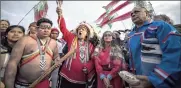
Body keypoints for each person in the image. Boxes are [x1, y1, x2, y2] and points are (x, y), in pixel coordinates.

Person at [126, 6, 181, 88]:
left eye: (136, 11)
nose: (133, 14)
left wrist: (154, 79)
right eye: (131, 14)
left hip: (161, 83)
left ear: (147, 13)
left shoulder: (161, 26)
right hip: (138, 82)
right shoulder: (130, 35)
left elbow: (175, 54)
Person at [4, 18, 62, 88]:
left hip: (44, 82)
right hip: (24, 84)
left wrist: (57, 60)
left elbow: (56, 56)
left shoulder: (53, 42)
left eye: (48, 28)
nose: (46, 30)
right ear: (37, 29)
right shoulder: (25, 40)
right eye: (43, 28)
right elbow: (12, 63)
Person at [56, 6, 99, 88]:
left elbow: (94, 59)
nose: (81, 30)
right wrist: (60, 15)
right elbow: (63, 28)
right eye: (79, 29)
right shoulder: (71, 37)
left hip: (81, 78)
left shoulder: (91, 45)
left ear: (87, 33)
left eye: (83, 29)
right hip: (65, 75)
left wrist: (88, 67)